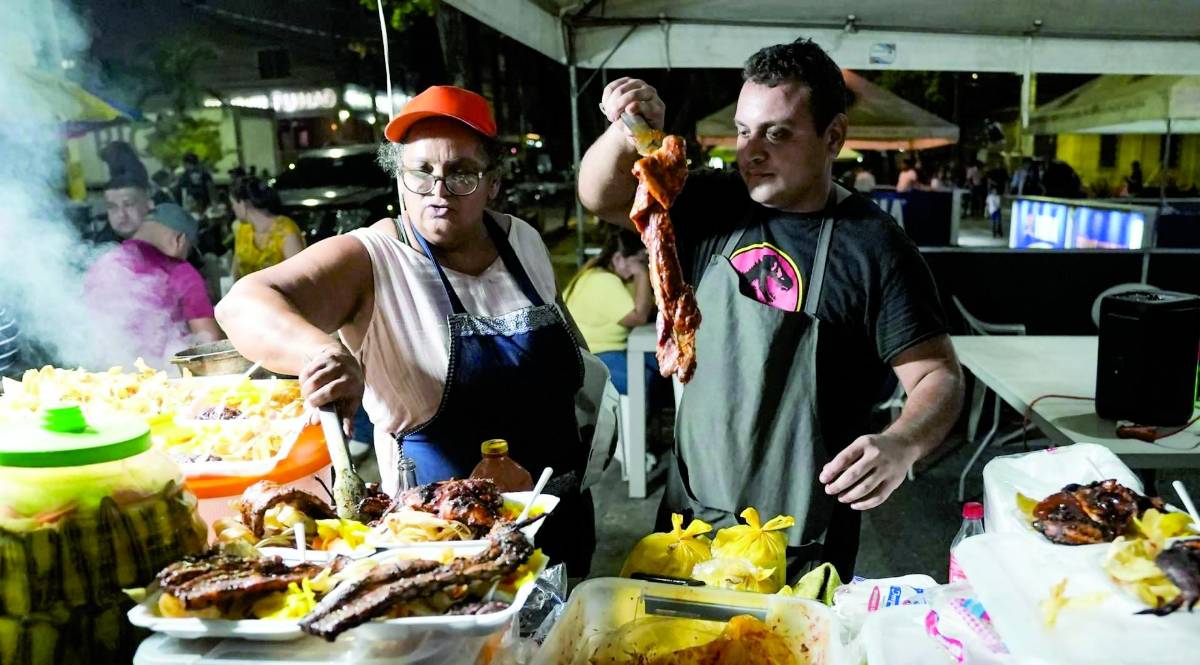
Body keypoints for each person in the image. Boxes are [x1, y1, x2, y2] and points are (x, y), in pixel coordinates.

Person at [578, 38, 964, 579]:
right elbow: (602, 196)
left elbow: (938, 375)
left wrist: (902, 443)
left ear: (833, 137)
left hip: (797, 543)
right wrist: (627, 131)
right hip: (689, 521)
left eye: (777, 133)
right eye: (743, 130)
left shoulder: (875, 246)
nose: (751, 151)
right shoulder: (712, 205)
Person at [215, 86, 596, 576]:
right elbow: (242, 303)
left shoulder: (522, 239)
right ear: (399, 178)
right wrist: (320, 353)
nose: (438, 192)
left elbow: (568, 347)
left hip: (559, 522)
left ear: (493, 182)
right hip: (447, 545)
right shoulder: (373, 258)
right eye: (421, 173)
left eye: (461, 173)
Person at [84, 203, 222, 367]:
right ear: (180, 240)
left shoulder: (103, 264)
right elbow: (211, 345)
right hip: (163, 379)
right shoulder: (180, 272)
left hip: (106, 377)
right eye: (188, 251)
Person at [563, 228, 655, 394]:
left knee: (660, 364)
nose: (644, 266)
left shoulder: (617, 278)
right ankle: (634, 420)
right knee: (642, 381)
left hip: (611, 350)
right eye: (640, 261)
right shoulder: (602, 281)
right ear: (619, 258)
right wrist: (642, 274)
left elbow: (649, 306)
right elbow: (639, 317)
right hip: (593, 356)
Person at [230, 176, 306, 279]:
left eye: (233, 204)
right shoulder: (243, 230)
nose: (232, 208)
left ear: (242, 204)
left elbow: (299, 276)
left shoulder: (285, 230)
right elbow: (235, 273)